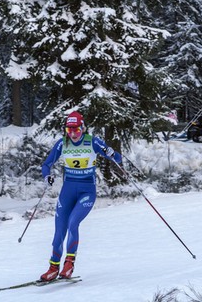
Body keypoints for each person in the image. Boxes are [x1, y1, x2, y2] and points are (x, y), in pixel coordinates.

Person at [39, 111, 122, 280]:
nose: (73, 134)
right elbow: (46, 164)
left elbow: (117, 159)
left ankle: (69, 263)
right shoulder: (62, 144)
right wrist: (47, 176)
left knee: (72, 223)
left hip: (86, 191)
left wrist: (112, 153)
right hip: (67, 191)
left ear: (83, 128)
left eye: (76, 130)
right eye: (69, 131)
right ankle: (53, 267)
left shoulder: (93, 142)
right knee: (59, 230)